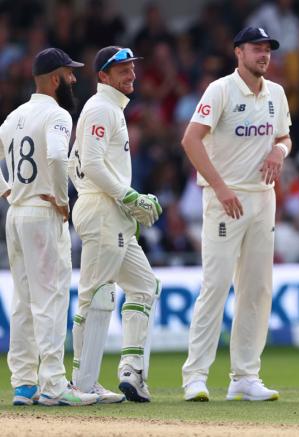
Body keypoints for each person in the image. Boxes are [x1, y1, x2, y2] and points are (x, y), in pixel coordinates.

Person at [180, 26, 292, 402]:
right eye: (256, 48)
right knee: (215, 286)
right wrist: (220, 187)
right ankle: (195, 375)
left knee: (257, 289)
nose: (264, 55)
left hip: (263, 199)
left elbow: (284, 136)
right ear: (238, 52)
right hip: (224, 199)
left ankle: (245, 376)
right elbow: (190, 139)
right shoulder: (221, 90)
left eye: (267, 50)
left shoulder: (275, 93)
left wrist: (280, 151)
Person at [0, 48, 97, 406]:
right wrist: (62, 198)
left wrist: (6, 189)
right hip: (43, 210)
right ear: (55, 79)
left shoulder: (13, 117)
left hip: (17, 212)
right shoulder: (57, 115)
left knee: (23, 301)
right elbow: (57, 156)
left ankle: (24, 384)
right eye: (69, 74)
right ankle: (54, 384)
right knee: (51, 299)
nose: (74, 80)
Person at [69, 46, 163, 403]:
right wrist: (130, 197)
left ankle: (131, 371)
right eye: (121, 70)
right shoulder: (100, 108)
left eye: (132, 68)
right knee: (96, 294)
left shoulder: (112, 110)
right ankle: (81, 383)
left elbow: (72, 163)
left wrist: (126, 204)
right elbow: (91, 165)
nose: (131, 75)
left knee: (144, 286)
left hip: (112, 211)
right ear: (103, 77)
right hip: (102, 207)